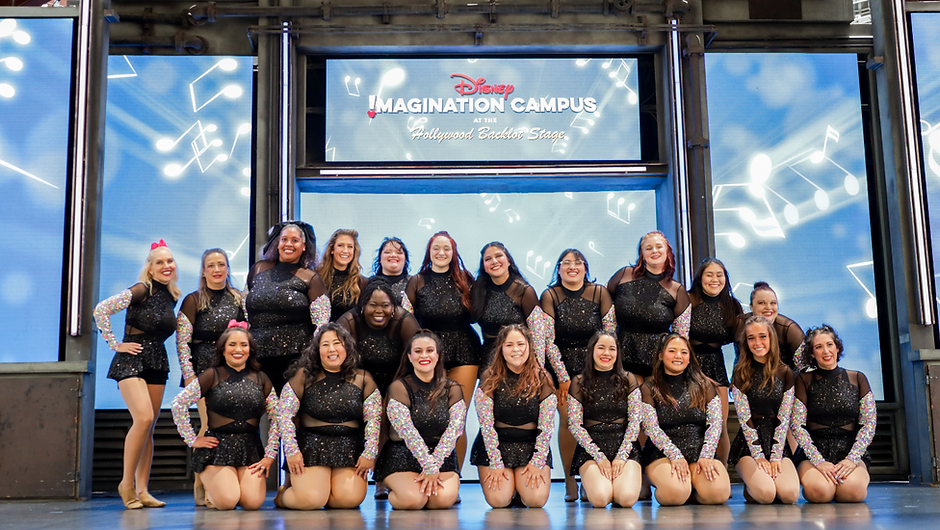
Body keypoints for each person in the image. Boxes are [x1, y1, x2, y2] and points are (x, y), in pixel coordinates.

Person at [94, 240, 180, 509]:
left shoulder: (172, 296)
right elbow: (101, 309)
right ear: (150, 268)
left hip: (157, 361)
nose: (166, 266)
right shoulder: (141, 289)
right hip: (131, 359)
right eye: (159, 262)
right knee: (143, 417)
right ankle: (126, 484)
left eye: (169, 261)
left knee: (149, 426)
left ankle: (143, 490)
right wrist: (114, 343)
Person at [170, 323, 280, 510]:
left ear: (250, 350)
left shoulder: (261, 378)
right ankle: (212, 486)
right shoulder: (211, 375)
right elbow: (178, 404)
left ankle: (231, 485)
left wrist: (270, 454)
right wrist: (191, 439)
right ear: (223, 349)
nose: (238, 349)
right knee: (227, 502)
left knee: (252, 503)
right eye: (232, 344)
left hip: (250, 449)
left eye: (244, 345)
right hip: (218, 449)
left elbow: (277, 418)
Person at [275, 323, 381, 509]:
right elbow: (284, 415)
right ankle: (284, 495)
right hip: (312, 446)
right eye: (325, 345)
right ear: (317, 350)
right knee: (312, 500)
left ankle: (325, 489)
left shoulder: (364, 378)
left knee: (348, 501)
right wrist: (291, 451)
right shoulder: (303, 376)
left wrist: (369, 453)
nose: (331, 349)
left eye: (337, 343)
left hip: (349, 447)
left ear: (347, 347)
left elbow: (373, 420)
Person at [540, 249, 615, 501]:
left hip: (595, 367)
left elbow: (609, 335)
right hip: (561, 367)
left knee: (592, 421)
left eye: (578, 262)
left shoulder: (600, 293)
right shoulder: (550, 295)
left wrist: (601, 367)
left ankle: (591, 478)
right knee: (568, 421)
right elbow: (548, 341)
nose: (572, 267)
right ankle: (570, 480)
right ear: (558, 268)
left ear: (585, 268)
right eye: (566, 263)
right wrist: (562, 377)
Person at [403, 231, 480, 468]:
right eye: (436, 248)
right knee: (431, 418)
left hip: (464, 350)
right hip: (429, 352)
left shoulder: (465, 279)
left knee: (457, 419)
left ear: (453, 253)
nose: (441, 253)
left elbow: (479, 313)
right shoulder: (417, 281)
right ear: (429, 251)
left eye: (446, 248)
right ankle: (428, 469)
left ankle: (454, 475)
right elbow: (404, 318)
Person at [175, 248, 245, 505]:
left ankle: (217, 481)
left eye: (221, 264)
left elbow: (246, 337)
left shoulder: (238, 299)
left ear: (227, 268)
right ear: (203, 271)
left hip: (232, 373)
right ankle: (201, 480)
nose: (217, 269)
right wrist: (189, 375)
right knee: (209, 425)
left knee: (227, 426)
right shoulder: (193, 300)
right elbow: (182, 342)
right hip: (203, 373)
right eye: (211, 265)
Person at [373, 331, 467, 510]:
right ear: (410, 357)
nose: (424, 355)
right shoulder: (398, 387)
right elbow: (408, 432)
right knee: (413, 501)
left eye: (429, 350)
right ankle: (395, 488)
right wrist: (428, 466)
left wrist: (435, 464)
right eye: (418, 351)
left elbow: (454, 430)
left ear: (437, 356)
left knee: (441, 501)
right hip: (403, 454)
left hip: (441, 456)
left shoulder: (452, 388)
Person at [471, 325, 556, 508]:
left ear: (530, 346)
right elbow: (486, 425)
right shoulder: (489, 377)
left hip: (529, 445)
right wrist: (495, 461)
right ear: (501, 349)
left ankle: (519, 487)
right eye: (509, 345)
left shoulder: (542, 377)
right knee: (499, 501)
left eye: (520, 344)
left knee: (535, 500)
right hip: (497, 445)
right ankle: (512, 489)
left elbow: (547, 426)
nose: (515, 349)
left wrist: (538, 461)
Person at [639, 333, 729, 505]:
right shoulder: (648, 388)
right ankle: (682, 486)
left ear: (689, 357)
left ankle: (693, 485)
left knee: (718, 494)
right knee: (675, 494)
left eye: (684, 352)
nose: (678, 356)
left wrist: (707, 455)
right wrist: (674, 455)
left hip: (698, 450)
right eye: (672, 351)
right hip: (663, 453)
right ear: (660, 355)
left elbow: (715, 424)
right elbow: (650, 427)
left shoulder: (705, 385)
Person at [792, 325, 876, 503]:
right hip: (814, 452)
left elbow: (868, 424)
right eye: (818, 347)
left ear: (837, 347)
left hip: (849, 451)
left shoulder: (858, 378)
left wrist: (852, 459)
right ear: (812, 353)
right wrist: (818, 461)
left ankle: (843, 480)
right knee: (821, 492)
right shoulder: (803, 380)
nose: (826, 351)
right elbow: (797, 425)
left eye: (829, 344)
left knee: (853, 492)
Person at [244, 221, 329, 391]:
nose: (288, 244)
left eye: (294, 240)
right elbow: (245, 308)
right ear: (277, 244)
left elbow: (321, 324)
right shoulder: (258, 269)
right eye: (284, 239)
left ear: (304, 246)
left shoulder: (311, 278)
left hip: (295, 362)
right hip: (256, 359)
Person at [567, 331, 643, 508]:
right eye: (601, 348)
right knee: (601, 499)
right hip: (592, 449)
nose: (606, 353)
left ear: (618, 352)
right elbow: (575, 425)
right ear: (592, 351)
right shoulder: (578, 382)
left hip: (624, 447)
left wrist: (622, 456)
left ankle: (615, 484)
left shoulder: (629, 379)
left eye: (612, 349)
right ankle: (591, 483)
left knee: (626, 499)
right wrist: (599, 456)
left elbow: (635, 422)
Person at [729, 316, 799, 504]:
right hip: (750, 443)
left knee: (790, 495)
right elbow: (745, 419)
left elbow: (784, 418)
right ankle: (753, 486)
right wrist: (758, 456)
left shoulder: (786, 372)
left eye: (762, 336)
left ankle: (765, 479)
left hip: (777, 441)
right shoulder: (740, 373)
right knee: (767, 494)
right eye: (751, 338)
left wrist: (775, 456)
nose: (757, 342)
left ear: (771, 338)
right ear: (746, 342)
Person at [607, 231, 690, 382]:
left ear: (667, 251)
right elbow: (604, 303)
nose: (654, 251)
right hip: (623, 359)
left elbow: (681, 337)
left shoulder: (677, 290)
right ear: (642, 254)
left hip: (658, 364)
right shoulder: (624, 275)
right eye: (649, 248)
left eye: (659, 247)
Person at [687, 258, 743, 465]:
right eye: (709, 274)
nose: (714, 279)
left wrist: (739, 375)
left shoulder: (732, 305)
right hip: (689, 365)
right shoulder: (688, 299)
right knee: (692, 424)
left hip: (716, 365)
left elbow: (739, 345)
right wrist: (693, 371)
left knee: (719, 426)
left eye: (719, 275)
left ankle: (723, 473)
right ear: (700, 278)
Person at [471, 242, 547, 369]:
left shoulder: (524, 291)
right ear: (484, 267)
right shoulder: (478, 291)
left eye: (498, 256)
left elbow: (538, 334)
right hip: (490, 362)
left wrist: (538, 368)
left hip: (519, 360)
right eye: (488, 259)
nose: (494, 261)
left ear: (509, 261)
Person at [337, 280, 420, 396]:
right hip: (358, 385)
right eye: (373, 305)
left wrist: (396, 390)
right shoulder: (349, 321)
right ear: (363, 305)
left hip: (398, 386)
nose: (379, 311)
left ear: (393, 307)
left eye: (385, 305)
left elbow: (417, 358)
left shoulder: (404, 321)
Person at [739, 282, 805, 370]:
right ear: (751, 307)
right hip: (744, 376)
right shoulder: (739, 323)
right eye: (762, 303)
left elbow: (807, 366)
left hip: (783, 377)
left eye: (773, 303)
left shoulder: (789, 330)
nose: (768, 307)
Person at [318, 229, 369, 322]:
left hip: (348, 330)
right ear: (332, 249)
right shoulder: (316, 277)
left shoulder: (362, 283)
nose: (345, 251)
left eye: (350, 247)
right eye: (340, 245)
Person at [370, 237, 411, 304]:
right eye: (387, 252)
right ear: (380, 259)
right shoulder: (368, 283)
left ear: (405, 259)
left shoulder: (414, 283)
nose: (393, 255)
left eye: (399, 252)